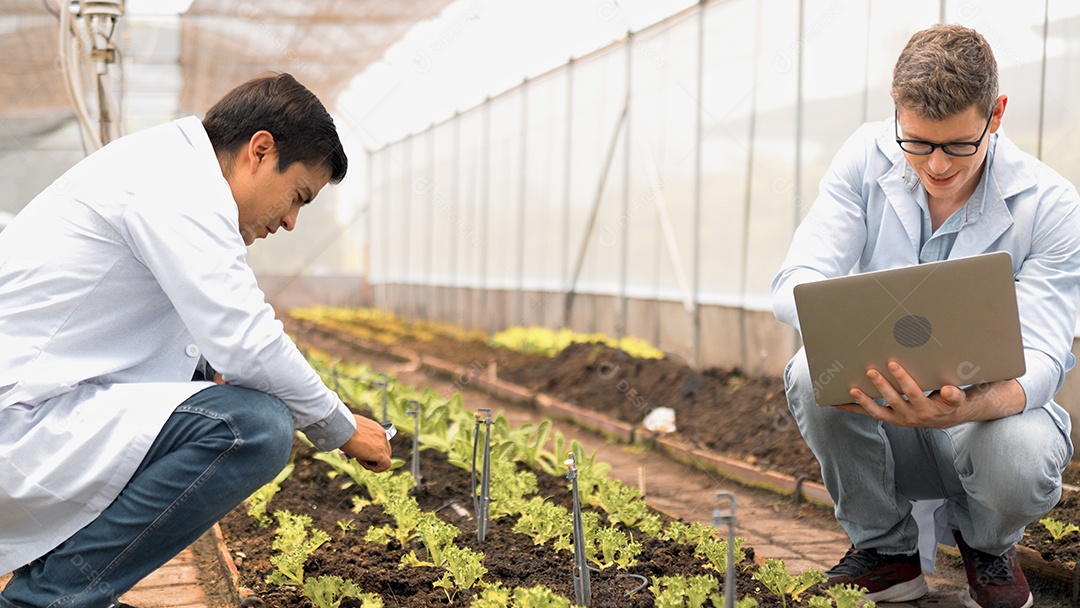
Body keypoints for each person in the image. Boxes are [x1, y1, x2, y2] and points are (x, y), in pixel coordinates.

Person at [0, 73, 392, 608]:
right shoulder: (176, 184)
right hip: (21, 421)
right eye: (297, 195)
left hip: (40, 413)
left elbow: (202, 335)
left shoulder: (169, 168)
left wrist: (208, 372)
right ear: (260, 150)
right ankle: (48, 598)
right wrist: (339, 425)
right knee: (252, 427)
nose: (290, 221)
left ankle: (65, 589)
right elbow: (246, 338)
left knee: (221, 404)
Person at [772, 24, 1080, 608]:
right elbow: (795, 281)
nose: (936, 165)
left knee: (1020, 456)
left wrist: (964, 407)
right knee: (812, 372)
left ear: (996, 115)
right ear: (896, 111)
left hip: (984, 419)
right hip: (886, 407)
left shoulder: (1051, 206)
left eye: (958, 145)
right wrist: (845, 320)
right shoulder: (866, 156)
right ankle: (886, 554)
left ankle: (988, 547)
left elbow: (1043, 355)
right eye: (917, 143)